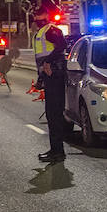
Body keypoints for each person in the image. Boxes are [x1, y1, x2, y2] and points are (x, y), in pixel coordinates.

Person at [37, 24, 69, 162]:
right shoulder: (41, 32)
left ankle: (58, 152)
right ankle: (55, 150)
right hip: (50, 77)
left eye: (38, 14)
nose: (35, 17)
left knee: (54, 115)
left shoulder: (50, 29)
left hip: (55, 75)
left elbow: (62, 44)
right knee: (51, 115)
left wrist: (48, 61)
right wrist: (40, 79)